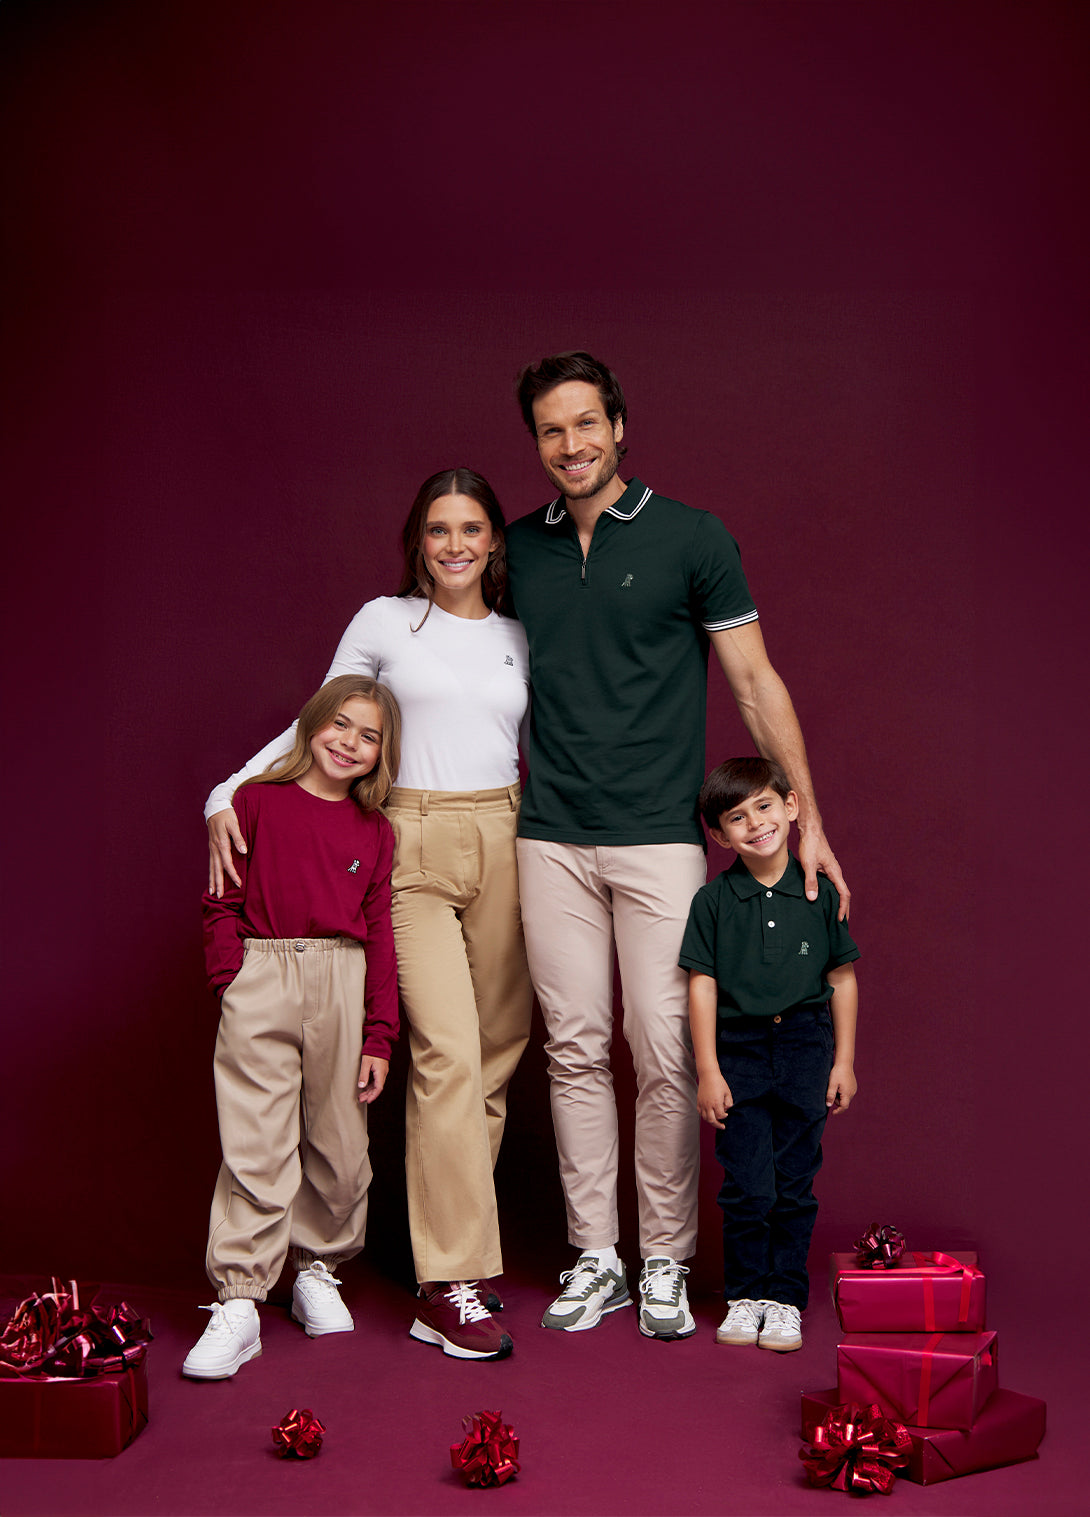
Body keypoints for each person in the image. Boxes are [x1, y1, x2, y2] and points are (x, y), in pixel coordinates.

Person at [506, 351, 849, 1341]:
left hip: (659, 838)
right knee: (572, 1049)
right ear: (535, 443)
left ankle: (663, 1254)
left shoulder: (692, 537)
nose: (570, 445)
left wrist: (811, 818)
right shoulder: (516, 549)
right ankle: (596, 1256)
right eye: (550, 430)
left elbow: (754, 683)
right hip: (550, 836)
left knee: (661, 1050)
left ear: (619, 425)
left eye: (585, 423)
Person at [205, 468, 532, 1362]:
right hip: (412, 834)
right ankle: (448, 1282)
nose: (456, 544)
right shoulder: (384, 621)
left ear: (495, 540)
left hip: (505, 828)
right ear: (417, 542)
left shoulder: (517, 631)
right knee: (450, 1050)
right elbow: (318, 719)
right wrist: (225, 791)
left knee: (497, 1052)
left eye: (472, 528)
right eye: (438, 529)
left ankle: (449, 1236)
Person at [183, 674, 401, 1379]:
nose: (350, 742)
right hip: (264, 969)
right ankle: (241, 1297)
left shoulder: (375, 830)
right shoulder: (254, 803)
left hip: (343, 977)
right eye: (341, 724)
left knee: (342, 1141)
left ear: (382, 753)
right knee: (257, 1139)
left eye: (369, 736)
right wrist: (232, 982)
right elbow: (222, 900)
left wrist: (379, 1033)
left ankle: (317, 1268)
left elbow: (379, 935)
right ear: (312, 724)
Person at [680, 757, 859, 1351]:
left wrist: (843, 1062)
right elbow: (701, 984)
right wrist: (708, 1069)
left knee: (794, 1183)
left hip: (807, 1045)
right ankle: (746, 1293)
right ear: (718, 834)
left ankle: (784, 1299)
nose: (755, 824)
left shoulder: (820, 891)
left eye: (764, 806)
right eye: (736, 817)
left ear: (790, 806)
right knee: (748, 1183)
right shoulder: (713, 900)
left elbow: (843, 978)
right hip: (740, 1050)